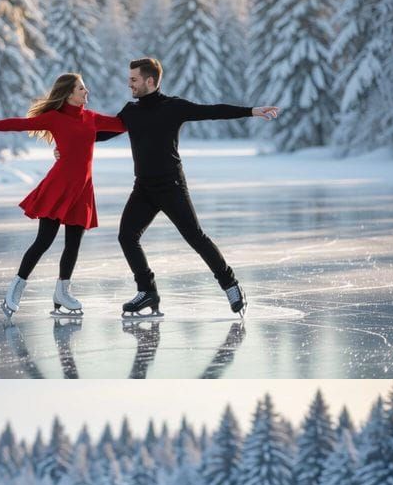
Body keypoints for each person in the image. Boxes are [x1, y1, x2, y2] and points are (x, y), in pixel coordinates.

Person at [106, 58, 280, 317]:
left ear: (150, 81)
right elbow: (103, 131)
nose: (128, 83)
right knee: (127, 236)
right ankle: (148, 291)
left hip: (171, 186)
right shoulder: (130, 112)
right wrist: (67, 140)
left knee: (195, 237)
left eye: (133, 79)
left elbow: (212, 111)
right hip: (143, 188)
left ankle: (230, 284)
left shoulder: (173, 107)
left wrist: (251, 110)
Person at [0, 74, 125, 318]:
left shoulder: (92, 119)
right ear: (69, 93)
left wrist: (143, 108)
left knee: (74, 244)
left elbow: (122, 124)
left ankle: (62, 291)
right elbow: (20, 124)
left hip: (82, 190)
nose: (86, 91)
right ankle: (15, 287)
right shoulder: (55, 118)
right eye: (81, 88)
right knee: (44, 241)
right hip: (59, 186)